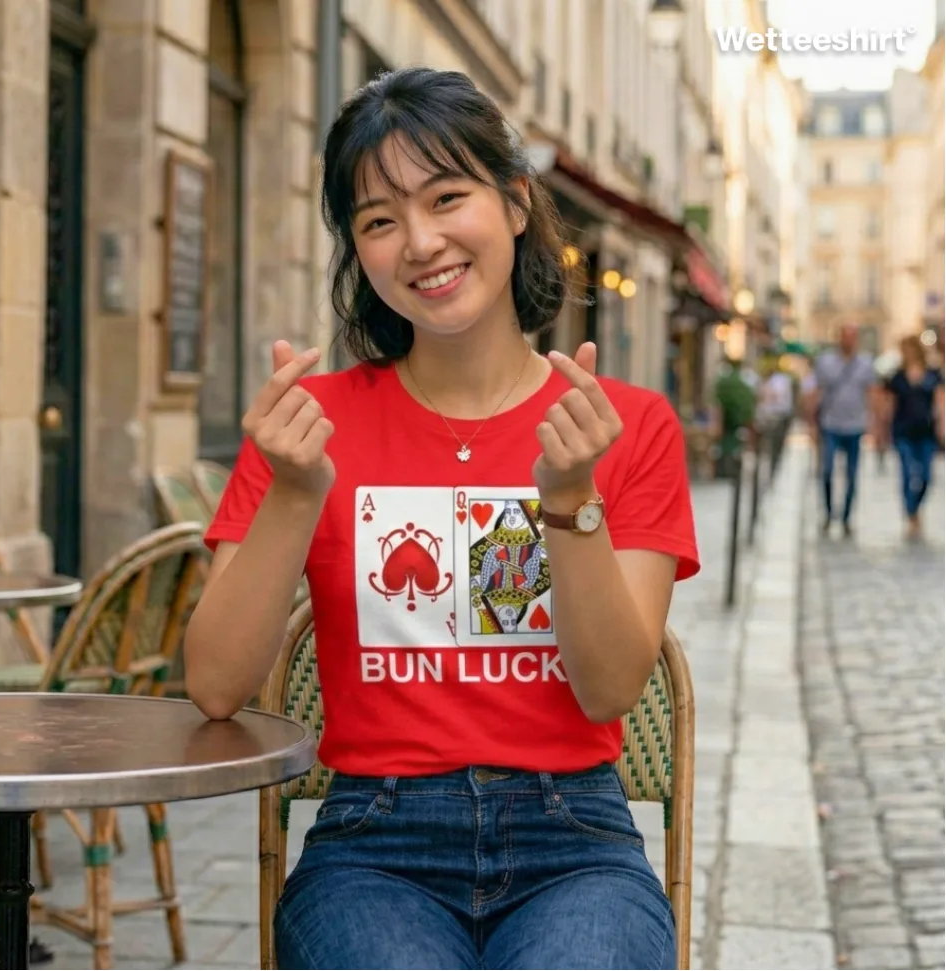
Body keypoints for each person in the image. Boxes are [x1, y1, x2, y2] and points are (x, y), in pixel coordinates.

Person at [184, 67, 699, 971]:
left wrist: (569, 503)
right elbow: (218, 686)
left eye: (445, 197)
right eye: (379, 219)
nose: (419, 242)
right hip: (372, 843)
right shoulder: (304, 426)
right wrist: (296, 493)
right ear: (356, 248)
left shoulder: (626, 424)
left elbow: (611, 689)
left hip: (574, 840)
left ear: (513, 202)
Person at [803, 324, 877, 536]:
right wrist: (810, 422)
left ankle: (846, 517)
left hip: (855, 426)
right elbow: (815, 391)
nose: (849, 341)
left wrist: (873, 423)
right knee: (826, 471)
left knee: (852, 474)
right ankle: (827, 513)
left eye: (852, 337)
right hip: (830, 424)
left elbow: (871, 392)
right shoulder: (825, 362)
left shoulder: (865, 363)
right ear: (839, 338)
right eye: (845, 336)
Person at [883, 334, 944, 539]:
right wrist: (881, 430)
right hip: (903, 431)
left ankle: (915, 508)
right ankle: (910, 513)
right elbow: (889, 405)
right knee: (908, 473)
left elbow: (939, 401)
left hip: (926, 432)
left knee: (927, 476)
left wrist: (942, 426)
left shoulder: (932, 374)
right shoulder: (897, 377)